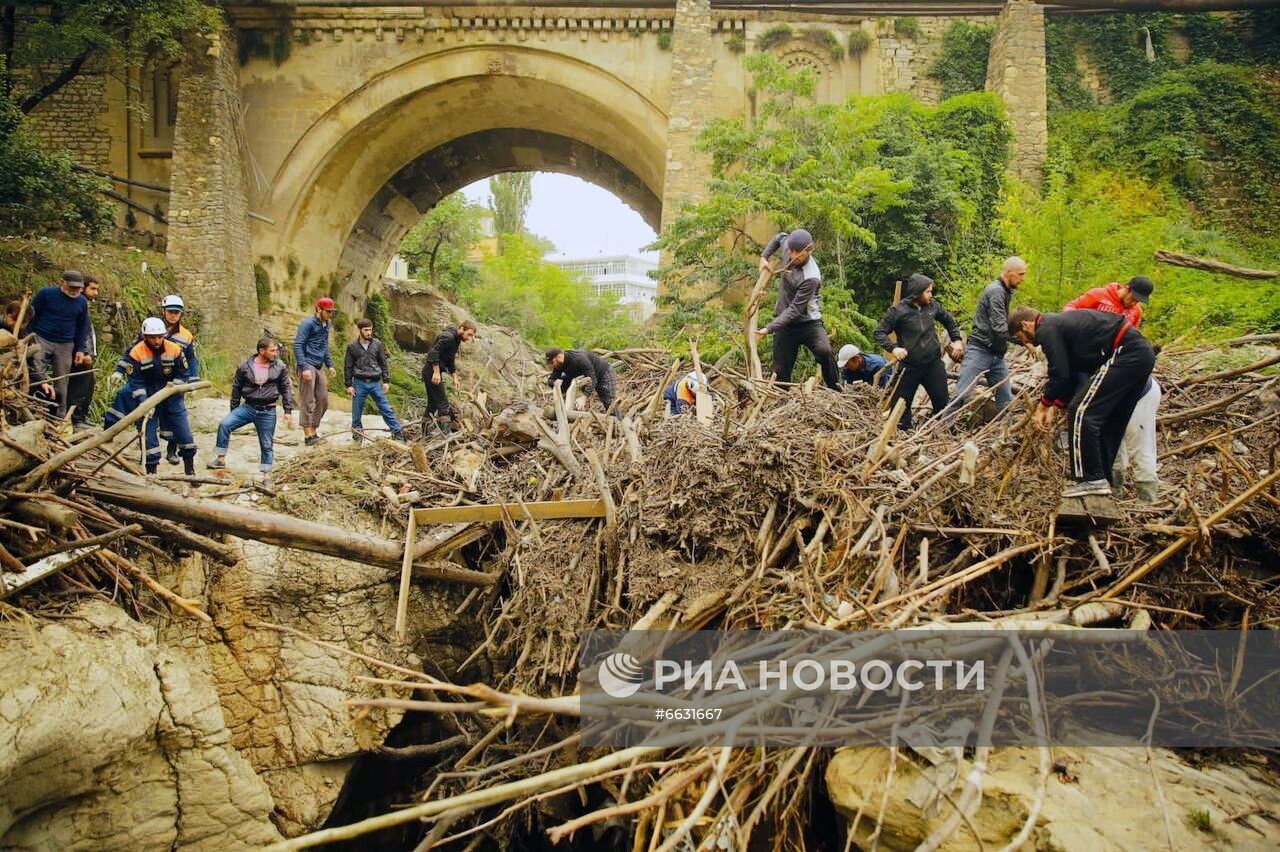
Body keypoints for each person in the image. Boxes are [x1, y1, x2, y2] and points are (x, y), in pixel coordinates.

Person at [1009, 306, 1156, 498]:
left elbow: (1059, 373)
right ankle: (1104, 479)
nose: (1026, 342)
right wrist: (1054, 404)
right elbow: (1071, 374)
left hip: (1125, 352)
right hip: (1141, 355)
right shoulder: (1062, 329)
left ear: (1026, 324)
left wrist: (1043, 405)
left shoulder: (1046, 327)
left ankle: (1090, 479)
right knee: (1108, 421)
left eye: (1022, 336)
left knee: (1080, 412)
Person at [104, 317, 197, 475]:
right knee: (148, 434)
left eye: (160, 337)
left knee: (183, 431)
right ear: (145, 336)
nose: (157, 341)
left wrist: (174, 387)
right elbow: (136, 382)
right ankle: (151, 471)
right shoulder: (137, 351)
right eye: (153, 337)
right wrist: (144, 403)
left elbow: (183, 372)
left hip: (171, 394)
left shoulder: (174, 349)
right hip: (147, 394)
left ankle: (190, 469)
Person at [873, 273, 964, 430]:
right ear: (917, 292)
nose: (931, 295)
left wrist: (957, 340)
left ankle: (946, 434)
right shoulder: (898, 311)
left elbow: (949, 321)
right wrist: (894, 348)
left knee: (942, 402)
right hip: (909, 367)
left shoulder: (933, 306)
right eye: (928, 291)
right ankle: (903, 438)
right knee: (901, 406)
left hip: (933, 364)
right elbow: (879, 332)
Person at [755, 229, 840, 390]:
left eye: (798, 253)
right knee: (780, 370)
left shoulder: (811, 277)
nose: (793, 256)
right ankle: (781, 399)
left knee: (825, 351)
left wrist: (769, 328)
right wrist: (764, 257)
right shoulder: (790, 246)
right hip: (785, 324)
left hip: (809, 323)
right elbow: (779, 236)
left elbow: (795, 309)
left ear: (809, 250)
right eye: (791, 251)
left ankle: (836, 390)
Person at [944, 257, 1026, 419]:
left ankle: (1004, 439)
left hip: (997, 355)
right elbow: (1000, 328)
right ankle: (941, 431)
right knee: (962, 397)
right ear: (1009, 273)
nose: (1023, 278)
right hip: (980, 351)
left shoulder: (1005, 291)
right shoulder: (996, 291)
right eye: (1020, 274)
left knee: (1006, 402)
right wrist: (1025, 340)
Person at [207, 337, 295, 486]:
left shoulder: (280, 367)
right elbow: (236, 388)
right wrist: (233, 410)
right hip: (248, 407)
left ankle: (267, 475)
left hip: (268, 410)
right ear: (262, 351)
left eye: (276, 350)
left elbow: (286, 388)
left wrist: (288, 410)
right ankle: (220, 459)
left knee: (266, 444)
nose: (276, 353)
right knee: (225, 424)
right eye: (273, 350)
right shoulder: (245, 366)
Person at [29, 270, 91, 418]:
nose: (75, 291)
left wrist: (81, 349)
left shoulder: (82, 302)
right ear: (62, 282)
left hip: (65, 344)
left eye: (78, 288)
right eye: (72, 287)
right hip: (42, 337)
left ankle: (59, 415)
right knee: (36, 371)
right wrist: (29, 338)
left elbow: (82, 327)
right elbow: (31, 315)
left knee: (62, 381)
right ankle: (33, 407)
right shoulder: (46, 294)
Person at [344, 318, 404, 441]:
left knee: (386, 408)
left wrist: (386, 381)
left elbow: (383, 363)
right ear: (359, 330)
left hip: (375, 382)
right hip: (359, 383)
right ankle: (357, 435)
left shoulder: (378, 344)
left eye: (370, 329)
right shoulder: (352, 346)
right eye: (366, 330)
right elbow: (348, 366)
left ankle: (397, 432)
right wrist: (349, 385)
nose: (369, 332)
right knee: (357, 413)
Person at [159, 294, 199, 462]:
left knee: (175, 414)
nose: (173, 315)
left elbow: (191, 358)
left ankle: (171, 450)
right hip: (154, 377)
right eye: (170, 312)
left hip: (176, 379)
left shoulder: (185, 335)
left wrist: (193, 379)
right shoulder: (154, 328)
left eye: (177, 312)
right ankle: (146, 449)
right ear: (164, 311)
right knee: (152, 413)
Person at [422, 320, 477, 436]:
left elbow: (450, 361)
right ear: (462, 329)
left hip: (432, 371)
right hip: (431, 372)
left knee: (432, 403)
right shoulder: (448, 337)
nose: (470, 338)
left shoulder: (455, 341)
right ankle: (445, 436)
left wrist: (455, 378)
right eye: (469, 334)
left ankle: (425, 434)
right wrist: (436, 373)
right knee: (443, 404)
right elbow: (433, 353)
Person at [294, 297, 337, 446]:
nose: (330, 314)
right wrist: (303, 367)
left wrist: (330, 364)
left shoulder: (327, 324)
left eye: (332, 312)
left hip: (318, 364)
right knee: (308, 399)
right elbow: (298, 345)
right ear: (319, 309)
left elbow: (324, 346)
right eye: (328, 311)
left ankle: (314, 429)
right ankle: (308, 435)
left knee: (323, 399)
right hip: (307, 363)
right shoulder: (307, 324)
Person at [1112, 376, 1161, 502]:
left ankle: (1147, 497)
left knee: (1140, 446)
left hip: (1141, 395)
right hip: (1116, 398)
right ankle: (1115, 491)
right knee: (1112, 445)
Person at [64, 274, 100, 430]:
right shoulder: (76, 305)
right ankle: (76, 419)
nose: (96, 293)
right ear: (83, 287)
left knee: (88, 385)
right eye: (92, 289)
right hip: (79, 354)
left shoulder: (83, 305)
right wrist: (84, 352)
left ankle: (82, 416)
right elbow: (79, 332)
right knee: (79, 387)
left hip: (87, 353)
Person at [2, 300, 54, 400]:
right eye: (13, 319)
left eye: (22, 322)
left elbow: (31, 364)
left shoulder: (24, 335)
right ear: (6, 314)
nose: (16, 324)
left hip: (15, 377)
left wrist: (42, 382)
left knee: (49, 394)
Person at [546, 347, 619, 417]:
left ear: (559, 356)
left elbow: (592, 378)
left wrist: (584, 397)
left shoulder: (579, 359)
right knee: (563, 383)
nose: (553, 365)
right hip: (585, 376)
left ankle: (619, 422)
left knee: (609, 401)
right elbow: (550, 380)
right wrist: (554, 383)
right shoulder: (559, 364)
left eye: (552, 362)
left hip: (603, 373)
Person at [1063, 276, 1152, 327]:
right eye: (1133, 299)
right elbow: (1070, 307)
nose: (1134, 303)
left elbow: (1132, 335)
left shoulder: (1136, 311)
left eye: (1138, 301)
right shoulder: (1098, 294)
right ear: (1127, 288)